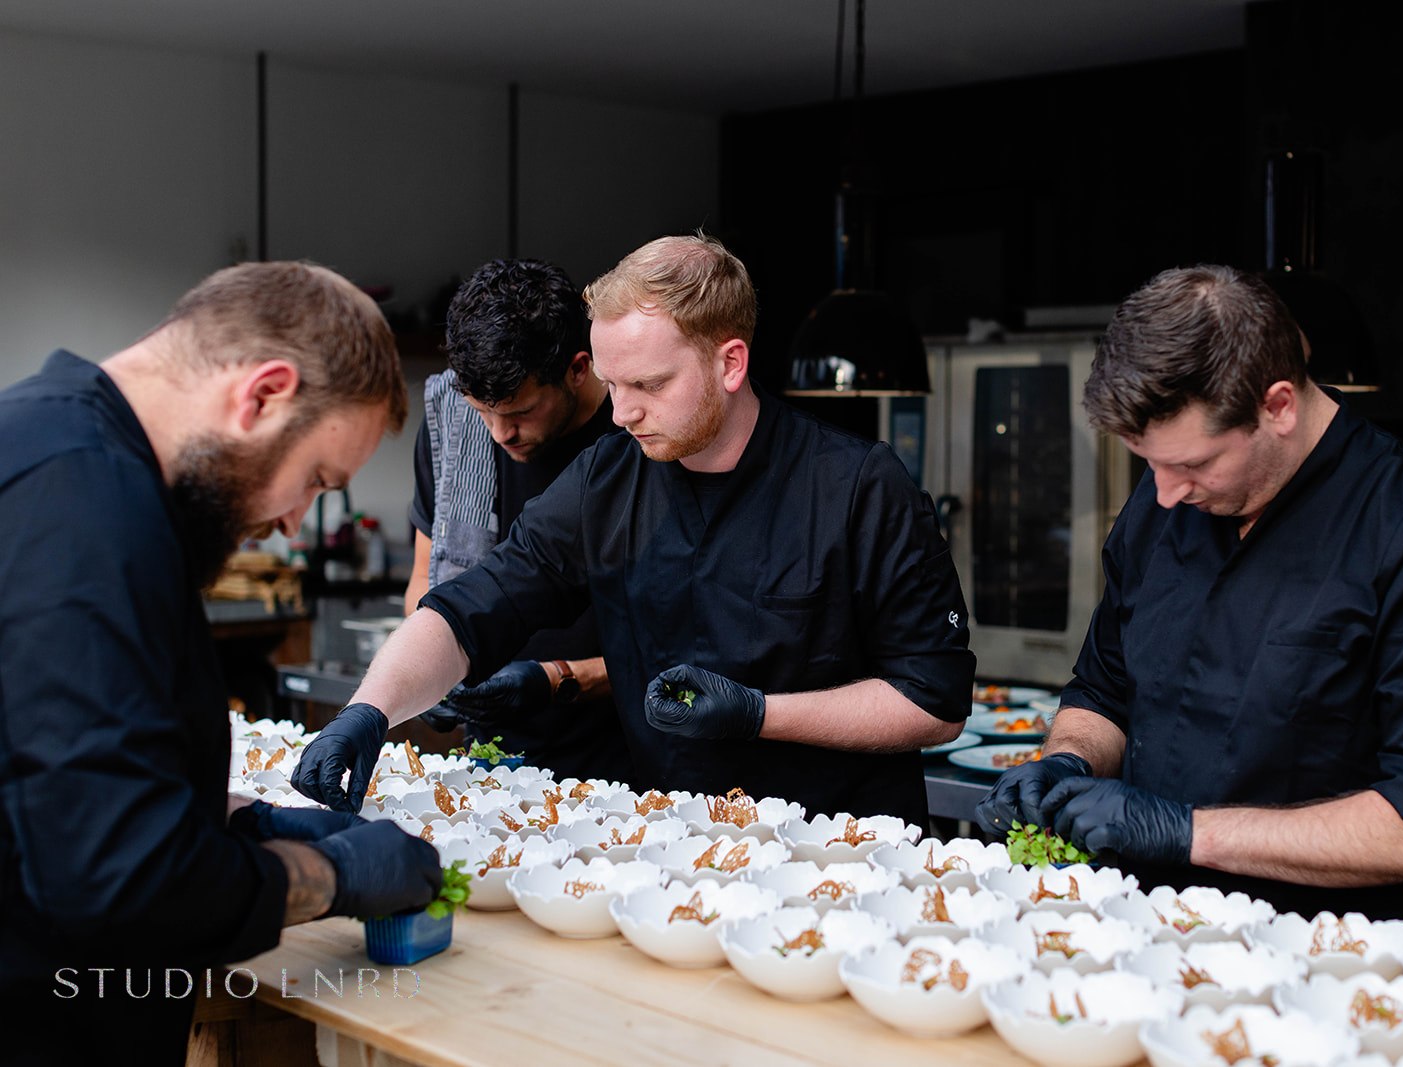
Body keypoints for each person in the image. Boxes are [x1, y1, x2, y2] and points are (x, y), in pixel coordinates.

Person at [293, 233, 975, 824]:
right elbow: (472, 608)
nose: (622, 413)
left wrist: (758, 713)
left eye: (648, 385)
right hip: (670, 848)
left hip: (843, 854)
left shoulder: (860, 487)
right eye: (614, 386)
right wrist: (370, 709)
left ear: (729, 363)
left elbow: (934, 701)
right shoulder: (606, 479)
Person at [978, 264, 1403, 942]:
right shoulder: (1161, 512)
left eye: (1195, 464)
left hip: (1333, 970)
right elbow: (1105, 689)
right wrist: (1068, 761)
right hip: (1145, 941)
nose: (1166, 494)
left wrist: (1184, 833)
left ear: (1278, 406)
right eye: (1150, 464)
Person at [0, 262, 443, 1064]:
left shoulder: (45, 443)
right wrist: (329, 873)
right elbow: (118, 881)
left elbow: (47, 769)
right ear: (263, 394)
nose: (291, 522)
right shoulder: (86, 516)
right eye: (313, 479)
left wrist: (233, 815)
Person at [405, 258, 634, 784]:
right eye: (483, 411)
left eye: (519, 412)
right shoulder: (458, 428)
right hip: (492, 757)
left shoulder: (637, 438)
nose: (499, 433)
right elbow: (424, 578)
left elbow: (688, 650)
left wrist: (557, 680)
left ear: (580, 369)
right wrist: (430, 672)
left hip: (624, 758)